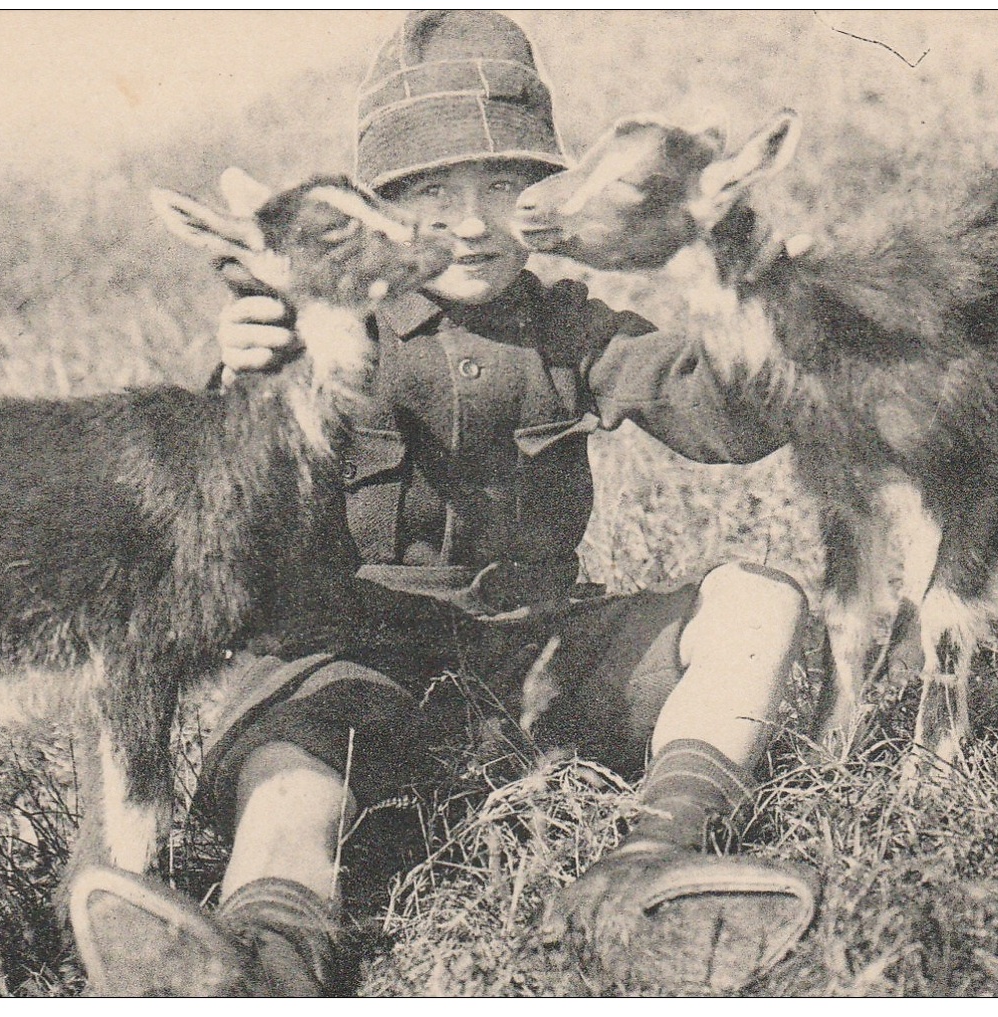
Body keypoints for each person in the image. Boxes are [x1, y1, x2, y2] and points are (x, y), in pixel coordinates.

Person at [74, 10, 820, 996]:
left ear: (548, 194)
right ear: (379, 207)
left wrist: (767, 317)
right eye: (432, 193)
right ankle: (259, 956)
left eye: (505, 186)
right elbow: (215, 482)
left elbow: (718, 420)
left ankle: (642, 880)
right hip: (343, 672)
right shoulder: (326, 321)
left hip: (537, 668)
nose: (472, 222)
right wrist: (237, 363)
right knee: (289, 781)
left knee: (759, 601)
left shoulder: (571, 324)